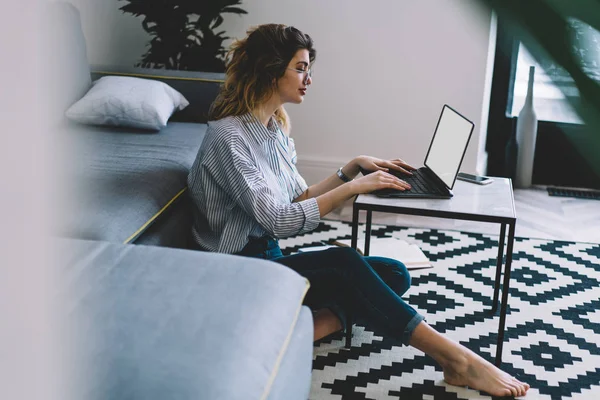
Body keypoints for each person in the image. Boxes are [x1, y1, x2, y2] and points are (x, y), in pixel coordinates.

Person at [187, 24, 530, 398]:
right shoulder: (229, 137)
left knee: (393, 274)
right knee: (347, 264)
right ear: (271, 69)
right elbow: (279, 220)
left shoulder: (273, 130)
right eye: (300, 68)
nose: (308, 79)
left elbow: (296, 199)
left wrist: (350, 169)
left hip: (268, 259)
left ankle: (300, 330)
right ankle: (456, 361)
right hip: (238, 272)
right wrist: (353, 188)